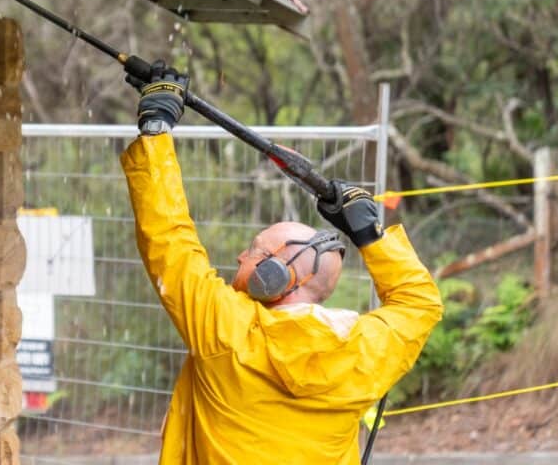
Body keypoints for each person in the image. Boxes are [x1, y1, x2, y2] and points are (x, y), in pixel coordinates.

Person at [121, 62, 443, 464]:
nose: (242, 256)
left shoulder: (227, 331)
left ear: (274, 277)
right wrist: (371, 237)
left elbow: (168, 238)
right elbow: (420, 304)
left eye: (254, 251)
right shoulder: (363, 351)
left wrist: (156, 130)